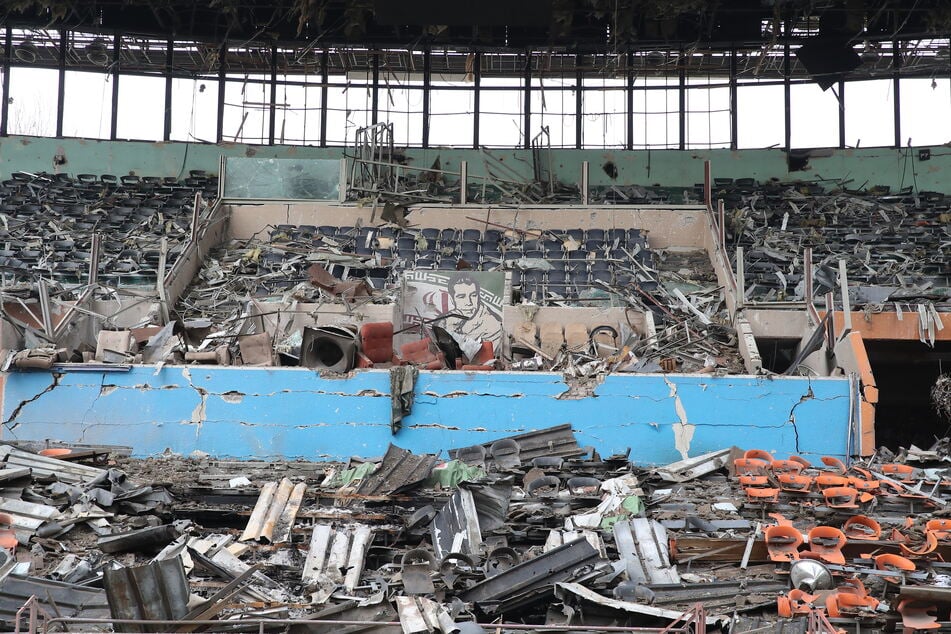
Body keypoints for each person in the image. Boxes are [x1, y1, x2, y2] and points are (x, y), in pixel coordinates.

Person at [443, 272, 503, 344]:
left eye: (473, 295)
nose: (469, 302)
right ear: (452, 300)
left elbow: (481, 353)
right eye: (462, 296)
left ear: (478, 297)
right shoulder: (448, 318)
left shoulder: (492, 324)